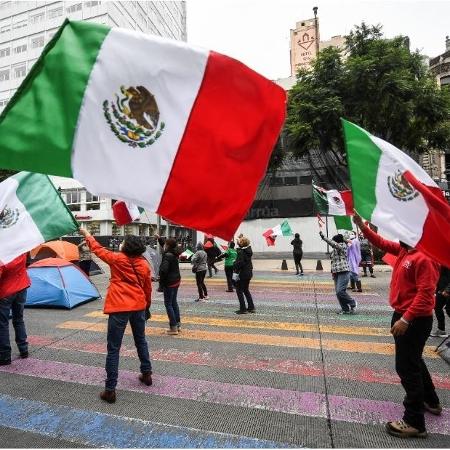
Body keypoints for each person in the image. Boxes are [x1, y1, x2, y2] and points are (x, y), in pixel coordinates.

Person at [353, 214, 441, 438]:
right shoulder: (406, 250)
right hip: (405, 316)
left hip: (414, 320)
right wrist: (361, 225)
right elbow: (380, 243)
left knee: (406, 367)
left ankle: (415, 422)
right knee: (415, 362)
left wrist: (405, 319)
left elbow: (425, 294)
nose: (399, 234)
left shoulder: (424, 257)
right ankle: (431, 401)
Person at [79, 229, 152, 403]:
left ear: (127, 247)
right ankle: (147, 373)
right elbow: (147, 288)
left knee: (113, 348)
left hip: (119, 306)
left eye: (124, 241)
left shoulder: (116, 259)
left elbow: (97, 249)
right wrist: (146, 305)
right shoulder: (144, 264)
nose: (121, 243)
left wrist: (87, 234)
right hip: (138, 306)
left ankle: (110, 389)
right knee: (140, 340)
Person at [0, 254, 30, 365]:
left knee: (2, 324)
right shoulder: (21, 249)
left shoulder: (3, 252)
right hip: (21, 287)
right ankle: (24, 349)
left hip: (5, 292)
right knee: (18, 319)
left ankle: (4, 355)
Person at [319, 231, 357, 314]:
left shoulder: (342, 246)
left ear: (337, 241)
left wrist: (324, 237)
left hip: (343, 271)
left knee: (340, 291)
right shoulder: (334, 251)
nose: (334, 242)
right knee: (338, 293)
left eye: (334, 240)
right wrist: (332, 273)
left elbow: (334, 245)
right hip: (336, 273)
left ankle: (352, 302)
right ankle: (345, 309)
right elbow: (333, 262)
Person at [159, 238, 181, 335]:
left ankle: (173, 327)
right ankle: (178, 324)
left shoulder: (167, 255)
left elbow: (164, 270)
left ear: (168, 246)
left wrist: (160, 280)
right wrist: (159, 239)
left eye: (166, 244)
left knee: (168, 304)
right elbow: (166, 246)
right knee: (173, 302)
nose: (164, 245)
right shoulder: (174, 253)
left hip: (169, 282)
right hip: (176, 280)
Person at [233, 237, 255, 314]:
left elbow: (240, 263)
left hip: (242, 274)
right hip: (248, 273)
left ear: (242, 243)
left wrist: (234, 264)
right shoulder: (248, 251)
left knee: (239, 290)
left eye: (239, 241)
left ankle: (243, 308)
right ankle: (251, 307)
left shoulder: (241, 252)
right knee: (246, 290)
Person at [430, 266, 450, 337]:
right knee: (437, 307)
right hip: (441, 289)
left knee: (449, 310)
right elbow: (440, 276)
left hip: (447, 290)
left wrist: (448, 290)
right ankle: (441, 330)